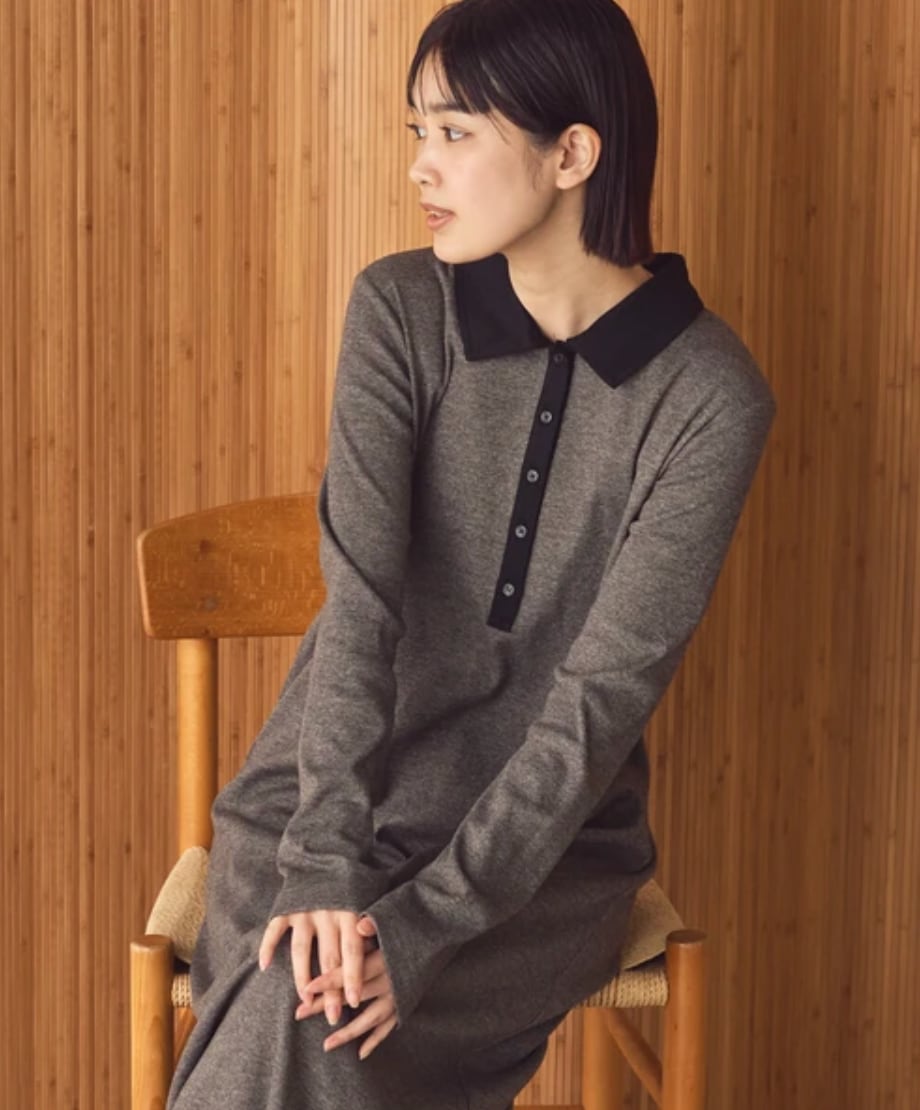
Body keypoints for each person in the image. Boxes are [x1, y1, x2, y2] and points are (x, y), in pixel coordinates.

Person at [167, 0, 776, 1106]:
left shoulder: (709, 399)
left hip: (540, 857)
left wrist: (421, 925)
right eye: (418, 131)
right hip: (323, 797)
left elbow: (597, 704)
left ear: (570, 155)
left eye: (453, 132)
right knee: (297, 1002)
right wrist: (323, 862)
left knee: (307, 1021)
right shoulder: (401, 310)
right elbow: (360, 606)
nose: (420, 164)